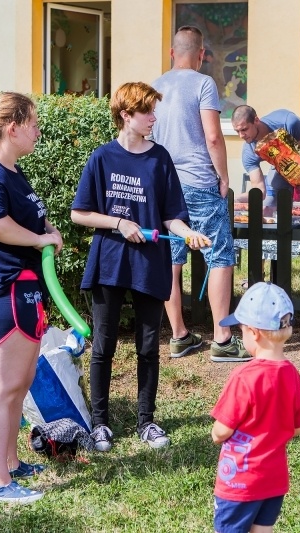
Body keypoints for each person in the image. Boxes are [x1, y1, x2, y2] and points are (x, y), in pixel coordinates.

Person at [71, 81, 210, 452]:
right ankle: (100, 424)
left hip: (150, 264)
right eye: (146, 111)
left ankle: (146, 421)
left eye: (153, 111)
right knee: (103, 346)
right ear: (125, 115)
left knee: (149, 347)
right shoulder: (102, 158)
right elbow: (79, 213)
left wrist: (188, 233)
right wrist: (119, 223)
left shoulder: (160, 158)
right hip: (110, 263)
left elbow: (171, 216)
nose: (153, 118)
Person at [0, 92, 64, 504]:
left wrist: (47, 230)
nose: (38, 132)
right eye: (34, 124)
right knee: (3, 390)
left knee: (18, 385)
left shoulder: (11, 171)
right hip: (5, 291)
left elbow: (28, 215)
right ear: (13, 128)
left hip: (23, 289)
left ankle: (12, 464)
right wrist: (40, 240)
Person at [152, 25, 250, 363]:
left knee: (172, 259)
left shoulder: (155, 86)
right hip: (198, 181)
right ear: (202, 54)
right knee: (220, 255)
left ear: (172, 53)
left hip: (165, 184)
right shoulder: (204, 83)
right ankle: (223, 340)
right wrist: (223, 176)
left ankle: (179, 336)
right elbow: (213, 136)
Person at [210, 282, 300, 533]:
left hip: (239, 482)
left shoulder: (244, 377)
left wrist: (215, 434)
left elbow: (221, 431)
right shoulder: (292, 374)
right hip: (274, 481)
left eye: (241, 330)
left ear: (254, 333)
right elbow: (296, 429)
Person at [231, 105, 300, 205]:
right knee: (271, 202)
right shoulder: (249, 152)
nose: (241, 136)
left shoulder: (288, 123)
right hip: (280, 159)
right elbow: (259, 191)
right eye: (237, 131)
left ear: (256, 120)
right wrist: (234, 199)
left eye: (244, 129)